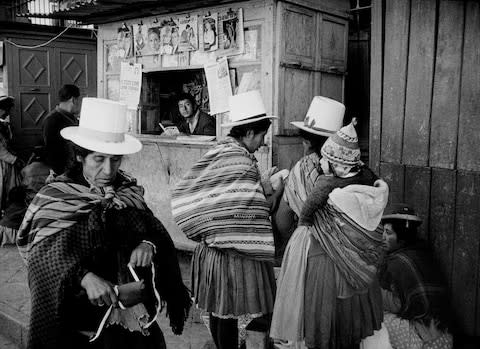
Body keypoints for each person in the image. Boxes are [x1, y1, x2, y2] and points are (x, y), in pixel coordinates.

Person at [17, 98, 191, 349]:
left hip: (130, 314)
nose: (109, 170)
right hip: (80, 321)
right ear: (80, 156)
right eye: (98, 159)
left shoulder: (127, 193)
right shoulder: (57, 198)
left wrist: (147, 244)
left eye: (115, 159)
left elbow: (153, 229)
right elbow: (40, 259)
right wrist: (84, 277)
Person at [270, 96, 389, 349]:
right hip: (356, 255)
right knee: (349, 327)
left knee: (315, 324)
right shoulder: (359, 171)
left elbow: (282, 221)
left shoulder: (300, 170)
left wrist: (303, 232)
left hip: (313, 253)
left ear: (306, 140)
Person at [172, 90, 282, 349]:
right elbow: (251, 210)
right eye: (262, 137)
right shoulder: (241, 161)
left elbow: (211, 193)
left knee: (222, 312)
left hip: (211, 252)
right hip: (232, 255)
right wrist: (276, 192)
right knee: (230, 314)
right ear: (249, 133)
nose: (262, 143)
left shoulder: (220, 150)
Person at [379, 203, 453, 349]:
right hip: (444, 336)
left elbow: (397, 304)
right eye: (383, 232)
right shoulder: (423, 254)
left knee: (372, 319)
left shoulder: (397, 262)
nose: (383, 237)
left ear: (401, 236)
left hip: (422, 337)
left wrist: (373, 291)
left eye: (389, 233)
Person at [42, 84, 81, 176]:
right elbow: (50, 150)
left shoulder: (71, 118)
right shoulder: (52, 120)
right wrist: (60, 173)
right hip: (63, 173)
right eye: (79, 100)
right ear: (73, 100)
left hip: (74, 169)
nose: (80, 104)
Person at [0, 96, 23, 213]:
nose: (7, 113)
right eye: (6, 110)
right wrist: (14, 159)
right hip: (3, 164)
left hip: (7, 163)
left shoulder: (3, 125)